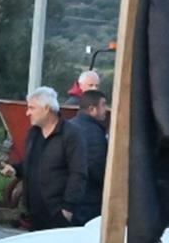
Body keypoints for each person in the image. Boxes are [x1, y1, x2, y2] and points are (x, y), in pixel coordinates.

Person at [12, 86, 86, 230]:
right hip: (33, 213)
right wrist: (15, 169)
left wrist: (68, 208)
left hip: (57, 213)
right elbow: (31, 164)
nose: (27, 113)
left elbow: (78, 173)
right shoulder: (33, 134)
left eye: (32, 108)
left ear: (46, 108)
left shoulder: (71, 135)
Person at [68, 89, 109, 224]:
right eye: (103, 105)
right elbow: (97, 166)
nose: (106, 110)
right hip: (88, 200)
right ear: (92, 109)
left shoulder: (69, 125)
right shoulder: (94, 133)